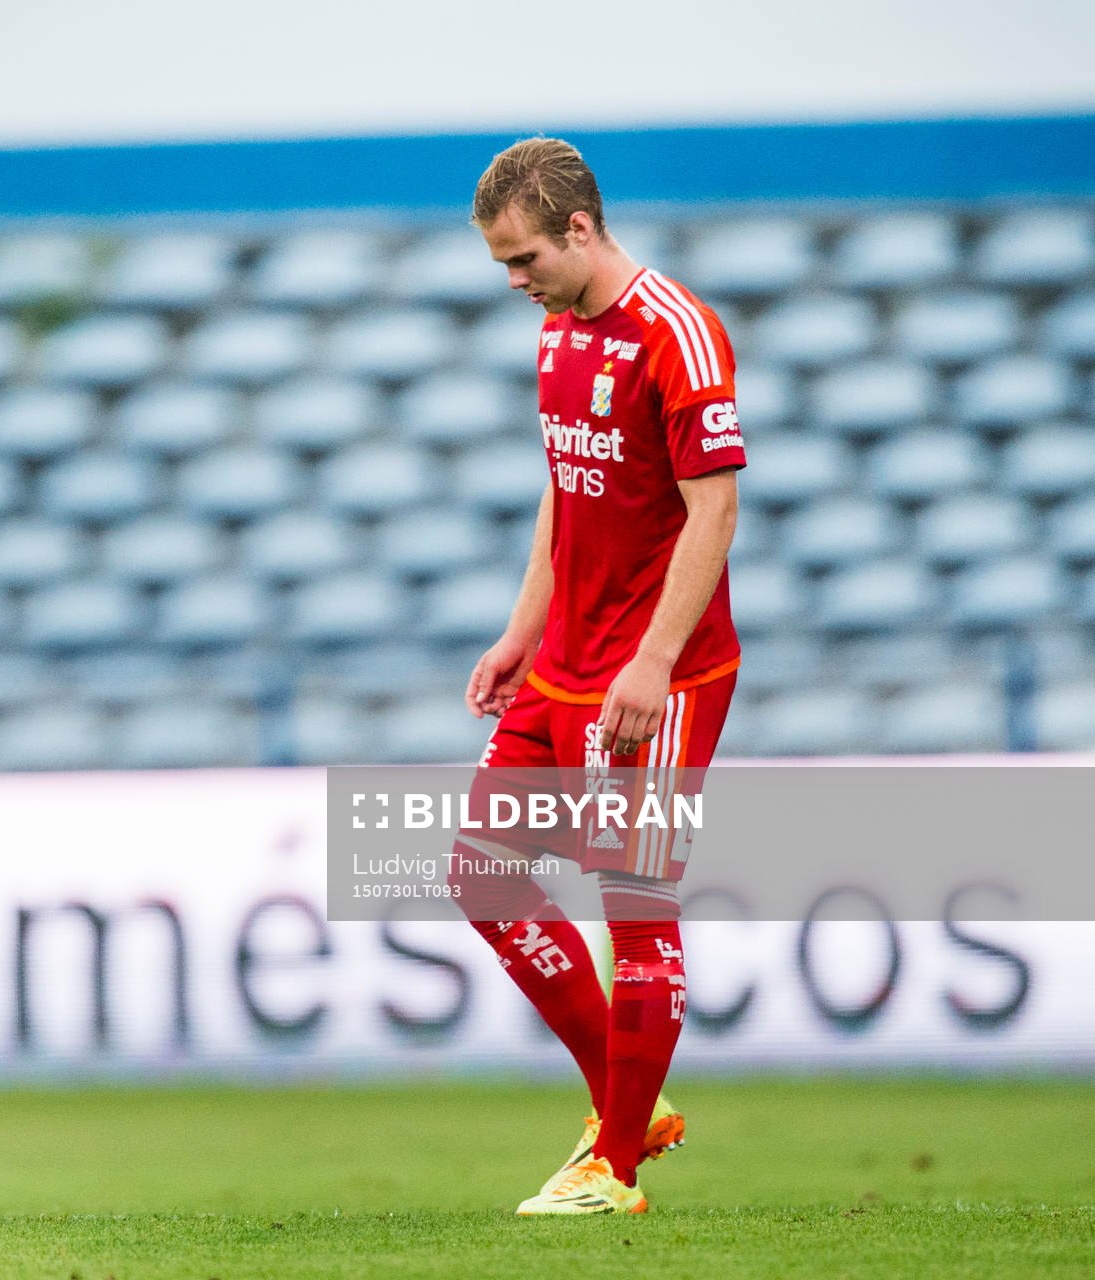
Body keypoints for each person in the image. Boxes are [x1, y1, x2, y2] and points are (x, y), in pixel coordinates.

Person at [453, 137, 745, 1215]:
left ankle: (614, 1168)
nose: (514, 280)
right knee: (481, 869)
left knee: (636, 908)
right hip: (564, 663)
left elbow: (712, 507)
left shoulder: (679, 334)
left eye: (523, 258)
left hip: (653, 676)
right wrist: (520, 630)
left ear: (580, 228)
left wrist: (654, 663)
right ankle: (626, 1105)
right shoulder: (556, 332)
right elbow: (565, 491)